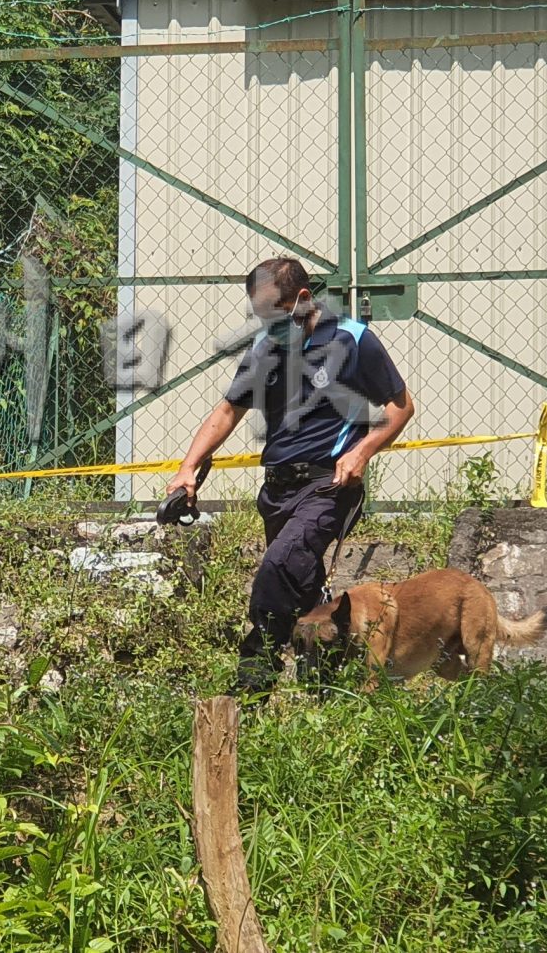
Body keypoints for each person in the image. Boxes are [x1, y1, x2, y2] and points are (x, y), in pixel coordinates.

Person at [165, 256, 417, 695]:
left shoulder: (354, 340)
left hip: (330, 485)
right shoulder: (265, 349)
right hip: (277, 490)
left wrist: (363, 452)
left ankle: (252, 685)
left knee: (275, 569)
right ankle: (330, 684)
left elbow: (401, 408)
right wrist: (188, 468)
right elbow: (228, 411)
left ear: (302, 299)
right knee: (301, 587)